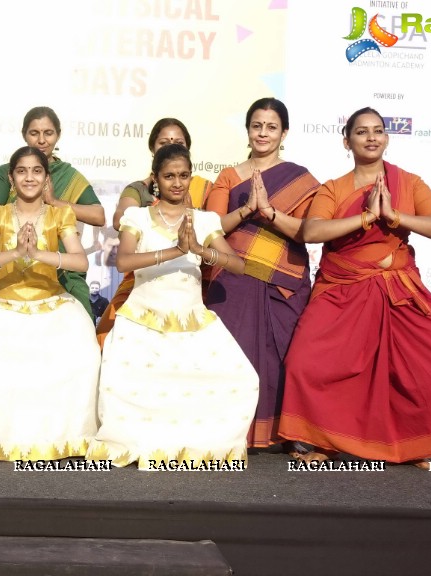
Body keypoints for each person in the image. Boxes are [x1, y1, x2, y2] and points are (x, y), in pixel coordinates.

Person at [279, 107, 431, 466]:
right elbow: (313, 232)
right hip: (342, 288)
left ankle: (417, 446)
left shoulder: (409, 183)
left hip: (398, 289)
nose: (372, 137)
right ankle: (323, 442)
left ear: (387, 138)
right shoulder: (334, 188)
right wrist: (365, 217)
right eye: (362, 132)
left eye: (378, 130)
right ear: (347, 141)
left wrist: (394, 216)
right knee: (304, 363)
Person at [86, 144, 259, 469]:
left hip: (192, 320)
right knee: (123, 381)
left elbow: (237, 265)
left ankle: (202, 447)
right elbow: (123, 261)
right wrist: (177, 251)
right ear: (156, 179)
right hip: (141, 319)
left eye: (183, 176)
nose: (177, 183)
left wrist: (199, 250)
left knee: (244, 379)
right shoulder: (137, 216)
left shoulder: (205, 220)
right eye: (169, 176)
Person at [0, 146, 100, 461]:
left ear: (47, 178)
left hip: (52, 302)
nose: (29, 177)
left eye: (37, 171)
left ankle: (65, 438)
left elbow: (80, 263)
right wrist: (16, 252)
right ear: (11, 177)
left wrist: (37, 255)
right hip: (2, 302)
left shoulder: (61, 213)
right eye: (22, 171)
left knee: (81, 347)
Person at [204, 98, 321, 450]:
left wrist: (269, 212)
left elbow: (307, 231)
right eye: (257, 126)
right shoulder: (228, 176)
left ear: (284, 133)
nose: (263, 133)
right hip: (232, 276)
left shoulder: (301, 179)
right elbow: (212, 228)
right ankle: (230, 431)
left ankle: (285, 432)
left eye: (271, 127)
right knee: (232, 354)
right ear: (248, 129)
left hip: (282, 280)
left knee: (282, 352)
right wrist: (246, 209)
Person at [96, 118, 211, 348]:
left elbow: (216, 231)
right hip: (142, 280)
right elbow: (120, 219)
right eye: (163, 142)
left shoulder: (204, 188)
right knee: (106, 338)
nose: (170, 146)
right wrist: (160, 212)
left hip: (190, 281)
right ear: (152, 149)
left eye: (177, 142)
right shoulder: (139, 189)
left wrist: (190, 213)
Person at [0, 107, 105, 319]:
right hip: (11, 267)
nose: (42, 140)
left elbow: (99, 216)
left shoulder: (69, 175)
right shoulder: (7, 172)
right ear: (24, 135)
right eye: (34, 133)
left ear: (58, 135)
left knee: (82, 321)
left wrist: (55, 203)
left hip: (61, 271)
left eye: (48, 133)